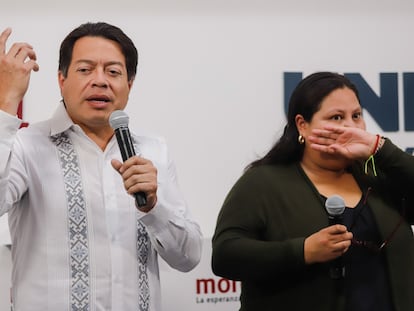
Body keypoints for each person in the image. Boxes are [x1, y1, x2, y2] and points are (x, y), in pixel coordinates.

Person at [0, 22, 202, 311]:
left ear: (129, 85)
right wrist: (6, 102)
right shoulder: (26, 145)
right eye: (85, 70)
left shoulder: (153, 149)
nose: (100, 81)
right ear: (61, 79)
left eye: (113, 71)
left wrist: (154, 209)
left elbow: (189, 257)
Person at [211, 72, 414, 311]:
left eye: (356, 116)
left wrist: (379, 148)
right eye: (336, 117)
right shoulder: (263, 182)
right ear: (302, 125)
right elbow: (226, 255)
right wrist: (303, 251)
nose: (350, 126)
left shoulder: (378, 177)